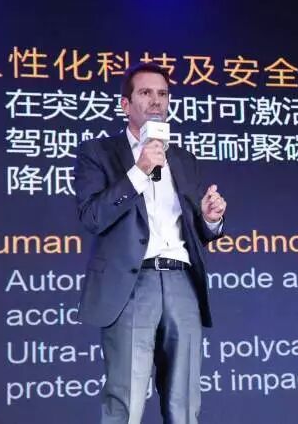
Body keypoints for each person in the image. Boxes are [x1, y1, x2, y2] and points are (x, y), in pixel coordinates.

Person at [74, 62, 226, 424]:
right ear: (125, 104)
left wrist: (210, 218)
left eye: (162, 94)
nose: (156, 101)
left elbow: (198, 230)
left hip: (182, 281)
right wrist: (139, 171)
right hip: (131, 285)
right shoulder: (98, 152)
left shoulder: (183, 159)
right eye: (145, 93)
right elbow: (92, 216)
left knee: (184, 402)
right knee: (125, 400)